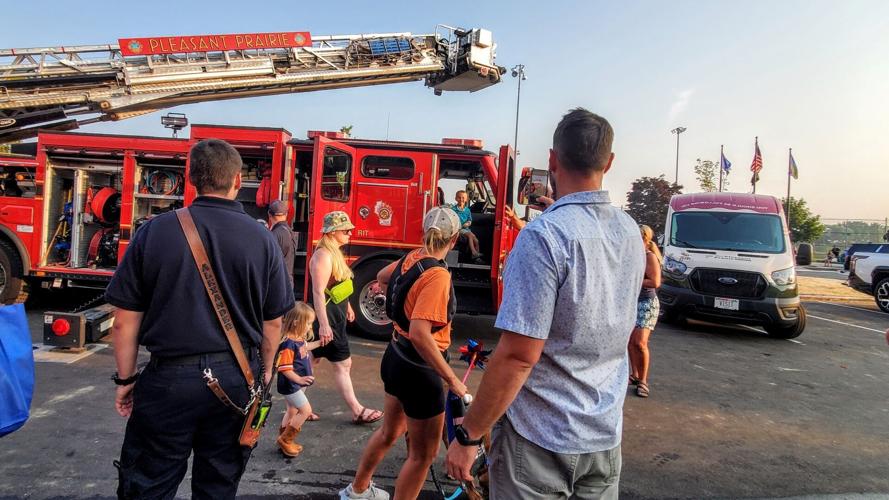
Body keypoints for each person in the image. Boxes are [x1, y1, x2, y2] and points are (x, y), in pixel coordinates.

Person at [445, 108, 645, 499]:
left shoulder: (544, 236)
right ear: (609, 162)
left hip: (540, 440)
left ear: (552, 160)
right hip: (604, 437)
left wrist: (469, 435)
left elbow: (519, 356)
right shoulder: (630, 232)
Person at [107, 139, 293, 499]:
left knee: (148, 484)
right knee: (218, 486)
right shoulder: (263, 238)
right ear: (237, 180)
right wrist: (266, 372)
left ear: (191, 179)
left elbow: (124, 321)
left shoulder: (154, 232)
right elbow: (273, 322)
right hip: (237, 378)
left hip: (168, 380)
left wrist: (126, 379)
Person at [340, 206, 467, 500]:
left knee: (390, 431)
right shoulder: (437, 276)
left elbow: (382, 277)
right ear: (454, 239)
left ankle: (357, 491)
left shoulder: (413, 257)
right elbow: (422, 335)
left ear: (425, 232)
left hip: (396, 355)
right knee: (423, 455)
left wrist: (400, 306)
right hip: (420, 370)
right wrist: (453, 380)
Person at [310, 211, 383, 425]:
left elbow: (337, 287)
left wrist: (349, 306)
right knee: (342, 363)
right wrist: (324, 325)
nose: (350, 233)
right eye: (346, 230)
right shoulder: (323, 256)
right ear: (332, 232)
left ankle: (296, 409)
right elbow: (318, 292)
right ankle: (357, 410)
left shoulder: (333, 253)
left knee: (311, 362)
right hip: (329, 320)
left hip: (334, 317)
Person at [275, 302, 320, 457]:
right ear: (296, 322)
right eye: (308, 323)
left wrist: (320, 343)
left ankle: (282, 438)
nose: (310, 327)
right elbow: (285, 368)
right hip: (291, 385)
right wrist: (299, 380)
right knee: (306, 411)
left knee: (292, 410)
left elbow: (306, 347)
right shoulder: (288, 344)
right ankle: (286, 440)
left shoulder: (298, 339)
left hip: (295, 384)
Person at [628, 224, 663, 398]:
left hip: (646, 303)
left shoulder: (649, 256)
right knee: (630, 341)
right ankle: (634, 374)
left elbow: (655, 282)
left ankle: (643, 380)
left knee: (640, 343)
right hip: (632, 302)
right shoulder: (635, 255)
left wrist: (632, 280)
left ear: (644, 239)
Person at [268, 199, 295, 289]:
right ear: (286, 214)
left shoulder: (274, 234)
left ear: (269, 215)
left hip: (277, 283)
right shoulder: (289, 232)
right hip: (288, 281)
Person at [451, 190, 483, 263]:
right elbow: (452, 220)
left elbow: (469, 220)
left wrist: (468, 223)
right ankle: (474, 252)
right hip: (459, 229)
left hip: (466, 229)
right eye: (459, 197)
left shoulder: (467, 210)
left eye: (463, 198)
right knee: (470, 236)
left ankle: (477, 255)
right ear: (456, 198)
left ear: (466, 199)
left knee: (476, 240)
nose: (461, 199)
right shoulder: (453, 210)